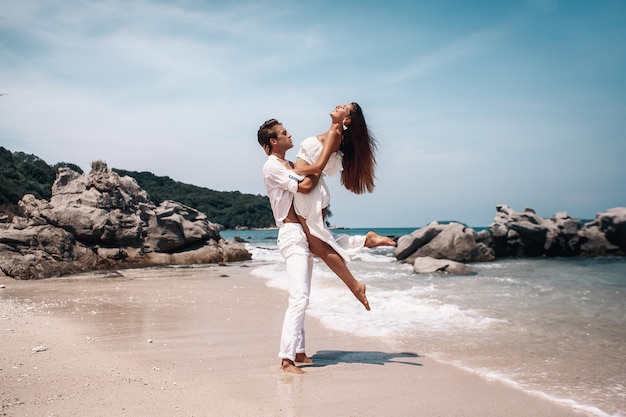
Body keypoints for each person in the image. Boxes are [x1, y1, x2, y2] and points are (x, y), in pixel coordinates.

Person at [291, 103, 395, 308]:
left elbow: (318, 168)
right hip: (312, 193)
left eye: (344, 107)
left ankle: (356, 285)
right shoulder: (335, 132)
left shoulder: (335, 133)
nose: (338, 105)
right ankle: (366, 241)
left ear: (346, 120)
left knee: (318, 246)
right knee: (319, 243)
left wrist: (286, 172)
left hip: (310, 194)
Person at [258, 118, 318, 374]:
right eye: (284, 133)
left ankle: (300, 351)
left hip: (303, 233)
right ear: (274, 141)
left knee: (303, 295)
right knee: (299, 296)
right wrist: (317, 169)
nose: (290, 135)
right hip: (291, 233)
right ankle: (286, 358)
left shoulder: (289, 164)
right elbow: (304, 187)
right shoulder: (272, 166)